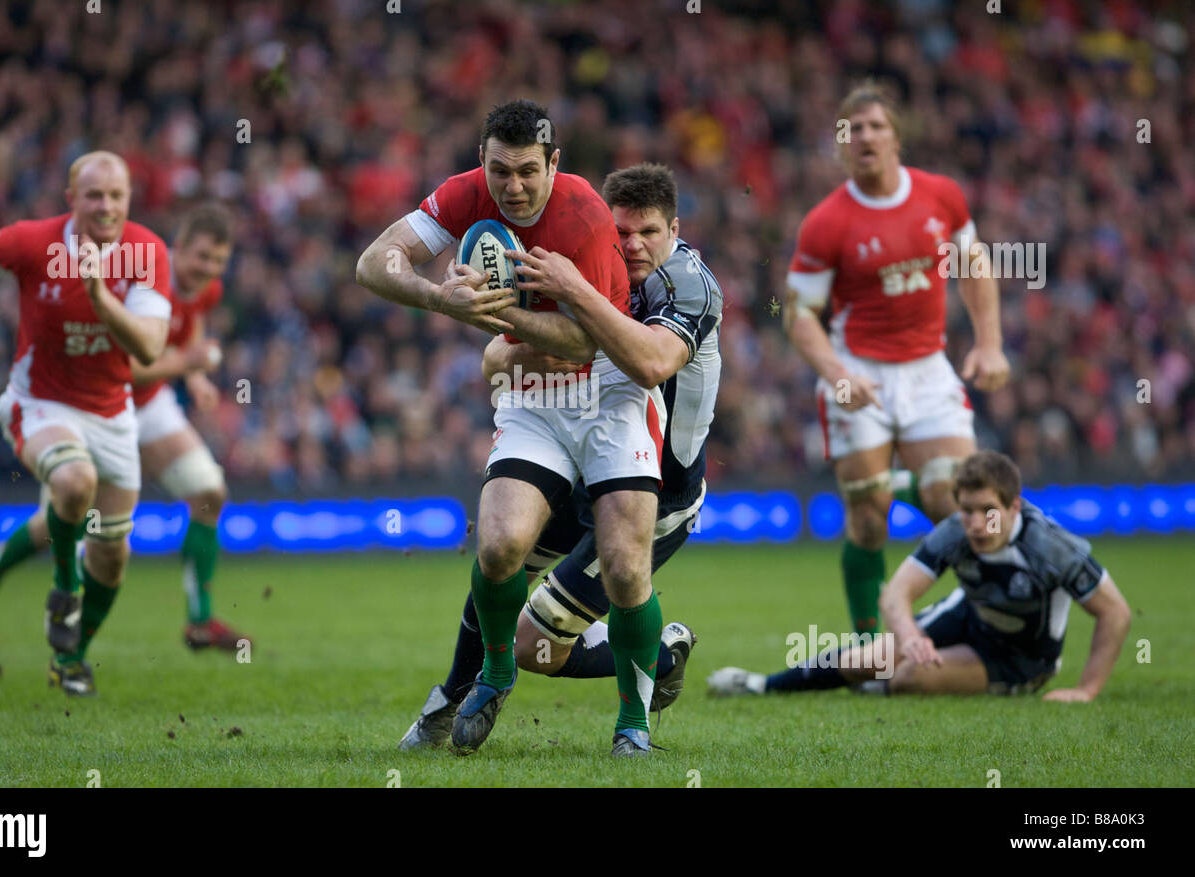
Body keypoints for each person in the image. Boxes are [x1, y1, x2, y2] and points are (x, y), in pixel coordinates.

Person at [357, 100, 666, 756]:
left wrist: (500, 319)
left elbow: (587, 344)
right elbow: (374, 263)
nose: (514, 186)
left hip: (608, 393)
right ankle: (496, 672)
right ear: (482, 160)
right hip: (534, 396)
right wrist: (441, 298)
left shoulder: (582, 215)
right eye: (500, 170)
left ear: (555, 163)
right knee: (498, 547)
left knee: (624, 567)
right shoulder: (467, 195)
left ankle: (632, 722)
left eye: (529, 170)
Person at [400, 163, 722, 752]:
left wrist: (575, 297)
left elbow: (647, 363)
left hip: (662, 488)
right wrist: (514, 340)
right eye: (620, 231)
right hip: (576, 469)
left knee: (542, 646)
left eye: (647, 232)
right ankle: (449, 700)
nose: (632, 246)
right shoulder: (590, 258)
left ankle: (655, 662)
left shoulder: (688, 286)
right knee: (501, 557)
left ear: (674, 229)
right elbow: (497, 360)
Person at [0, 151, 172, 695]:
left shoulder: (147, 251)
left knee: (111, 555)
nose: (106, 206)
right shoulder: (32, 242)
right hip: (39, 402)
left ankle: (61, 652)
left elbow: (148, 346)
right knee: (73, 484)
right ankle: (63, 590)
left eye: (116, 195)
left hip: (113, 413)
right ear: (71, 199)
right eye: (94, 195)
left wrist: (97, 293)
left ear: (129, 200)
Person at [0, 204, 249, 651]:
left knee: (209, 493)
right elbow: (124, 368)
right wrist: (185, 363)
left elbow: (191, 332)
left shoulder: (205, 290)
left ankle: (199, 621)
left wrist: (194, 376)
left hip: (150, 407)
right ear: (177, 249)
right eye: (201, 257)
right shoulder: (144, 275)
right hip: (97, 403)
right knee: (58, 522)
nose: (208, 270)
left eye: (218, 262)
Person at [784, 82, 1010, 636]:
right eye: (852, 129)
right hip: (857, 369)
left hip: (929, 368)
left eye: (875, 126)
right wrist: (837, 374)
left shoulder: (942, 197)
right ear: (841, 144)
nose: (864, 136)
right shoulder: (826, 222)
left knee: (956, 500)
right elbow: (798, 313)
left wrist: (988, 342)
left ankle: (996, 624)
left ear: (896, 137)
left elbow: (973, 265)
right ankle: (869, 647)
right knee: (867, 518)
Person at [707, 451, 1131, 700]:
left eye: (988, 512)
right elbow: (896, 594)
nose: (977, 524)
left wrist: (1087, 689)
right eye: (966, 511)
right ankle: (760, 684)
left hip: (1020, 658)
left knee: (910, 675)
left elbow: (1115, 613)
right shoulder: (956, 531)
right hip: (968, 617)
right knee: (862, 659)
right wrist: (909, 638)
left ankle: (881, 688)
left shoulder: (1051, 547)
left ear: (1013, 507)